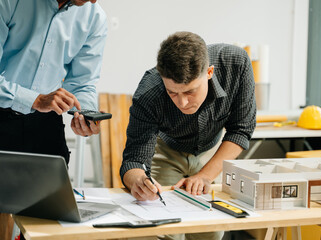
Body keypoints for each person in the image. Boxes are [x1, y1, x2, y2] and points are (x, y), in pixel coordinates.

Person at [120, 31, 256, 240]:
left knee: (210, 229)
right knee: (164, 229)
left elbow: (241, 129)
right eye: (172, 93)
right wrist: (138, 181)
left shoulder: (237, 64)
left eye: (190, 91)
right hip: (167, 150)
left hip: (213, 151)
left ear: (209, 72)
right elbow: (134, 160)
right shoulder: (149, 93)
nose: (182, 103)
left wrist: (205, 175)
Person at [0, 0, 107, 239]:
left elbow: (83, 83)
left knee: (46, 223)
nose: (94, 0)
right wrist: (34, 99)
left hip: (44, 127)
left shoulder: (94, 17)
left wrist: (84, 113)